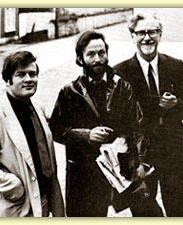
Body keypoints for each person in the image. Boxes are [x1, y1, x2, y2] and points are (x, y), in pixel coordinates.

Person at [49, 31, 143, 217]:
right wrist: (86, 135)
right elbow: (55, 129)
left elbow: (137, 126)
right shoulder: (70, 92)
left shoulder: (123, 87)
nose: (98, 59)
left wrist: (139, 161)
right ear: (80, 58)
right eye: (91, 54)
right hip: (83, 173)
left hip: (118, 168)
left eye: (101, 53)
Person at [114, 12, 183, 217]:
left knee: (179, 213)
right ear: (132, 36)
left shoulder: (175, 65)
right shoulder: (120, 72)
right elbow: (118, 120)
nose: (147, 38)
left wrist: (176, 104)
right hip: (141, 158)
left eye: (153, 32)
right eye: (141, 32)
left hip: (174, 154)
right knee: (144, 214)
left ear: (160, 34)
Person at [0, 51, 65, 217]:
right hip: (16, 207)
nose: (29, 79)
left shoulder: (38, 108)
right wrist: (13, 186)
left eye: (33, 74)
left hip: (43, 201)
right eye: (21, 75)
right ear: (7, 80)